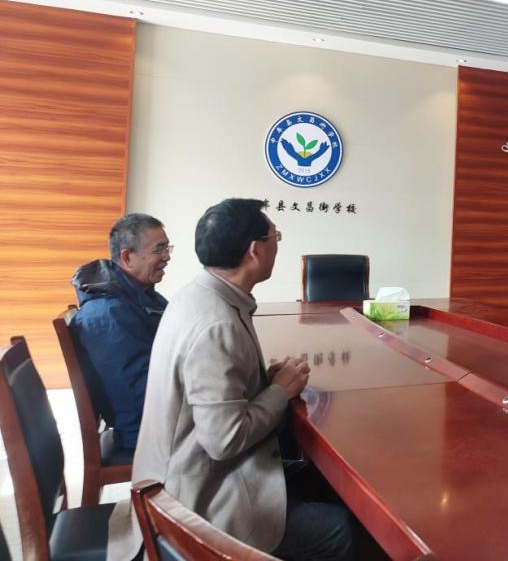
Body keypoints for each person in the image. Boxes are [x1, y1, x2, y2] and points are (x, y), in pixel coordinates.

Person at [107, 199, 353, 560]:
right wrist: (279, 391)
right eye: (275, 238)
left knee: (323, 480)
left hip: (192, 474)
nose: (277, 246)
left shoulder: (199, 295)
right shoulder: (216, 323)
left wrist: (265, 384)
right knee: (341, 531)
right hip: (196, 501)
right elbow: (225, 440)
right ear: (255, 250)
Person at [69, 213, 171, 450]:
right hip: (148, 432)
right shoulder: (107, 314)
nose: (167, 257)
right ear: (127, 257)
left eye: (167, 248)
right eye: (159, 249)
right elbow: (140, 394)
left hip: (161, 416)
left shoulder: (142, 297)